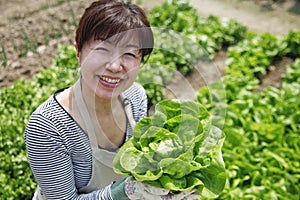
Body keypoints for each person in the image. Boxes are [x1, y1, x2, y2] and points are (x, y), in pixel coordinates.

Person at [25, 0, 201, 199]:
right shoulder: (48, 126)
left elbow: (138, 161)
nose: (115, 66)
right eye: (102, 49)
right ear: (78, 52)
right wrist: (125, 192)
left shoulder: (136, 97)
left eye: (129, 54)